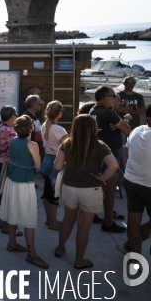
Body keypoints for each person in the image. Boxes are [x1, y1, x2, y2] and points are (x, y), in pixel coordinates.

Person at [54, 115, 119, 269]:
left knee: (68, 220)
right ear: (93, 127)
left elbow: (57, 166)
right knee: (84, 226)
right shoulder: (100, 145)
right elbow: (114, 165)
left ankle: (60, 248)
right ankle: (79, 260)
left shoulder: (67, 143)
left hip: (70, 188)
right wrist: (102, 177)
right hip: (91, 189)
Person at [0, 116, 47, 269]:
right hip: (25, 183)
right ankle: (32, 254)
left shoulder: (13, 141)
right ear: (30, 128)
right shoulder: (32, 145)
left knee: (13, 211)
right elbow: (38, 165)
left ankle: (12, 243)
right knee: (29, 218)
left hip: (11, 181)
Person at [89, 85, 131, 233]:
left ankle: (93, 215)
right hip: (109, 157)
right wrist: (120, 126)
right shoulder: (108, 114)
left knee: (98, 189)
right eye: (113, 96)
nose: (115, 99)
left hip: (96, 156)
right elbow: (128, 130)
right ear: (106, 98)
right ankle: (108, 222)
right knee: (110, 191)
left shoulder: (92, 111)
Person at [117, 105, 151, 255]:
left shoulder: (137, 130)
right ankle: (130, 248)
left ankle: (132, 252)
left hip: (131, 181)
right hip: (147, 185)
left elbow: (125, 153)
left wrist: (129, 172)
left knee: (133, 219)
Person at [38, 101, 69, 231]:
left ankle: (49, 219)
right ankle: (53, 222)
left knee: (47, 192)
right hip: (57, 162)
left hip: (46, 160)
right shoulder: (59, 129)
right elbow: (69, 146)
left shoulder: (44, 125)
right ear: (59, 113)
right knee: (54, 194)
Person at [0, 105, 18, 236]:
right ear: (12, 117)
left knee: (2, 192)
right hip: (7, 163)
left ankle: (1, 220)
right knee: (8, 194)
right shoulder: (11, 132)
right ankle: (6, 225)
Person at [22, 94, 44, 160]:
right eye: (40, 103)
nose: (41, 104)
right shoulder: (26, 118)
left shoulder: (33, 115)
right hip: (30, 152)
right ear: (33, 105)